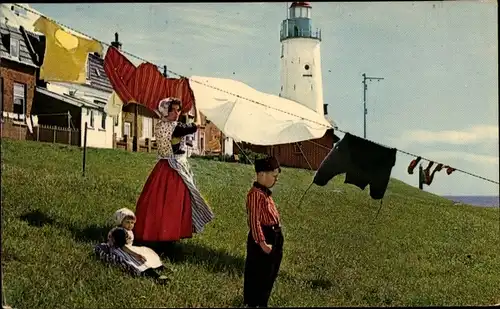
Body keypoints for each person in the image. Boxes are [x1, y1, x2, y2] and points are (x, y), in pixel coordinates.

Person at [134, 97, 214, 247]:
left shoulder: (159, 125)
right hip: (174, 168)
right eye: (173, 110)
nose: (177, 113)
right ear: (166, 111)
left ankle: (154, 234)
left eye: (178, 110)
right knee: (174, 203)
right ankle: (169, 236)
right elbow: (197, 125)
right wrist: (197, 108)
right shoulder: (176, 128)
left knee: (156, 203)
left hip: (162, 167)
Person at [243, 156, 283, 308]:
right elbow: (254, 221)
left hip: (274, 234)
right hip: (263, 236)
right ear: (261, 174)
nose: (275, 180)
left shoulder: (265, 193)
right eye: (273, 176)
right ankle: (254, 302)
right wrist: (262, 243)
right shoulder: (255, 194)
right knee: (258, 272)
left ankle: (263, 301)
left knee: (270, 273)